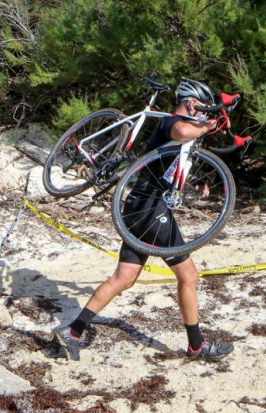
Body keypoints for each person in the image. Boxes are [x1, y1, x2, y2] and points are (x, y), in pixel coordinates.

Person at [54, 79, 234, 362]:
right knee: (188, 276)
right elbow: (183, 131)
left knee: (124, 278)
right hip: (152, 210)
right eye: (201, 109)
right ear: (190, 103)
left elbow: (170, 167)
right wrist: (210, 125)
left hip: (139, 207)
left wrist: (196, 180)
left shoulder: (177, 136)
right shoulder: (170, 122)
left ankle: (72, 332)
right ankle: (197, 346)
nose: (203, 115)